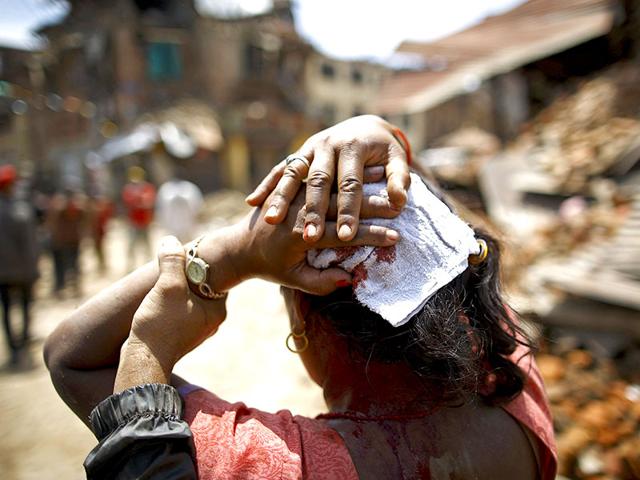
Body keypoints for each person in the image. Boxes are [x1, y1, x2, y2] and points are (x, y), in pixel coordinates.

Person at [44, 116, 556, 479]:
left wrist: (235, 253)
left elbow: (74, 358)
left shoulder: (270, 464)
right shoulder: (516, 385)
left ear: (308, 326)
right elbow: (459, 248)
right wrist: (386, 134)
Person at [0, 165, 39, 365]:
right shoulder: (20, 210)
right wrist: (34, 268)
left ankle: (13, 347)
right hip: (23, 270)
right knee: (24, 306)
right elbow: (30, 243)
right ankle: (22, 343)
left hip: (3, 273)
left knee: (6, 310)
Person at [46, 188, 86, 296]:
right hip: (66, 241)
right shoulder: (70, 207)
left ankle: (70, 287)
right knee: (66, 266)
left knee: (68, 266)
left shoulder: (70, 207)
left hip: (67, 241)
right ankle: (64, 287)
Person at [122, 165, 156, 271]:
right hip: (133, 221)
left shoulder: (147, 188)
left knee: (146, 244)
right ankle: (130, 267)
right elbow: (128, 202)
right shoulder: (128, 189)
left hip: (145, 221)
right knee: (132, 245)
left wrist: (140, 201)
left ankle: (150, 265)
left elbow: (149, 201)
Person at [156, 173, 203, 243]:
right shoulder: (166, 188)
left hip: (187, 221)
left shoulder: (189, 187)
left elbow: (196, 204)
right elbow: (161, 206)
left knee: (190, 243)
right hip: (172, 223)